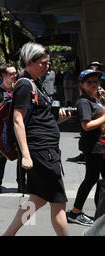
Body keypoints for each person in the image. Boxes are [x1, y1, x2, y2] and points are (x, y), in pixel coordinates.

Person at [3, 42, 72, 236]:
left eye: (47, 62)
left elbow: (38, 120)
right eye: (43, 62)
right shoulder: (25, 84)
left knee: (37, 199)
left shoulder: (35, 83)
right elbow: (18, 120)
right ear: (30, 62)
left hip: (45, 149)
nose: (47, 66)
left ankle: (7, 235)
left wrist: (58, 120)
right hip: (42, 152)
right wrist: (26, 155)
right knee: (58, 202)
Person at [66, 69, 105, 226]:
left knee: (96, 179)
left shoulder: (95, 99)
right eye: (90, 82)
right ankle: (76, 212)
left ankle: (98, 214)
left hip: (100, 147)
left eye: (96, 81)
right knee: (92, 178)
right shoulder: (84, 102)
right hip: (94, 147)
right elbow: (86, 125)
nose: (94, 84)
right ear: (82, 85)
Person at [0, 63, 26, 194]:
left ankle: (22, 185)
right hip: (4, 131)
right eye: (12, 74)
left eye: (15, 73)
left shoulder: (17, 89)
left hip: (18, 129)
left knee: (21, 157)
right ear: (4, 76)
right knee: (1, 158)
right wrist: (5, 106)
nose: (15, 76)